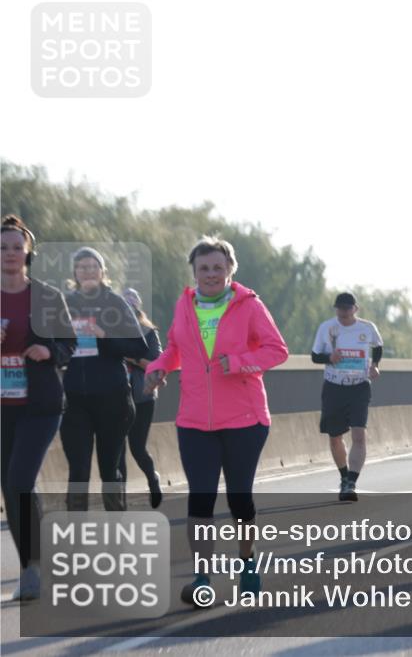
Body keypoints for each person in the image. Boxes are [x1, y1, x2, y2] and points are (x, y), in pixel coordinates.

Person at [145, 237, 289, 604]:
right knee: (201, 498)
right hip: (194, 419)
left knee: (239, 498)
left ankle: (246, 563)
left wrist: (239, 362)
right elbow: (177, 348)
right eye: (203, 268)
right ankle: (203, 579)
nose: (210, 274)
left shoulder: (249, 306)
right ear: (194, 272)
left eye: (217, 268)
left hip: (244, 418)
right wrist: (160, 366)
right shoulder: (185, 305)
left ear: (230, 271)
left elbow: (277, 350)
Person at [1, 216, 76, 601]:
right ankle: (32, 561)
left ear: (28, 252)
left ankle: (33, 568)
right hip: (3, 407)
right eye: (3, 247)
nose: (10, 253)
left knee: (19, 479)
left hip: (41, 404)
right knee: (10, 487)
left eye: (16, 246)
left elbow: (69, 343)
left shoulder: (46, 295)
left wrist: (50, 351)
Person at [61, 247, 147, 512]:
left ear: (102, 272)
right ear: (75, 273)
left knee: (109, 470)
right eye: (82, 266)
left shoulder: (115, 302)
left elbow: (138, 348)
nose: (87, 271)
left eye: (93, 266)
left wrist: (104, 335)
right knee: (78, 470)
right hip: (75, 398)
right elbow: (51, 344)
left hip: (113, 398)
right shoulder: (65, 303)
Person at [311, 292, 383, 501]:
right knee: (335, 437)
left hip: (359, 386)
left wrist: (375, 366)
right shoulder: (327, 328)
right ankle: (343, 476)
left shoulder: (367, 328)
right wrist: (329, 357)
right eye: (340, 308)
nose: (343, 312)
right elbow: (315, 356)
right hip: (334, 386)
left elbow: (378, 347)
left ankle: (351, 482)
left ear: (355, 309)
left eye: (347, 308)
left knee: (359, 435)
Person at [118, 287, 163, 508]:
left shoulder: (149, 332)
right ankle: (120, 499)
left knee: (137, 447)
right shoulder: (110, 331)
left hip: (142, 397)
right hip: (115, 397)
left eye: (131, 305)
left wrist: (132, 358)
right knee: (118, 449)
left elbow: (156, 364)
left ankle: (153, 480)